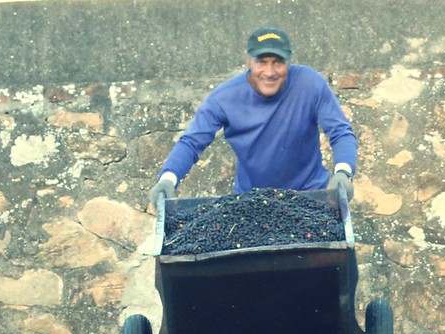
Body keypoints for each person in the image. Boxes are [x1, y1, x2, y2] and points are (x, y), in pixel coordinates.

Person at [149, 27, 357, 208]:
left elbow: (340, 132)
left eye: (278, 62)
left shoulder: (310, 83)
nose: (269, 72)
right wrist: (168, 178)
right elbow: (191, 143)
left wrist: (343, 172)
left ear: (289, 62)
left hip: (311, 196)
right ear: (248, 61)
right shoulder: (223, 99)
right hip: (251, 203)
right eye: (261, 62)